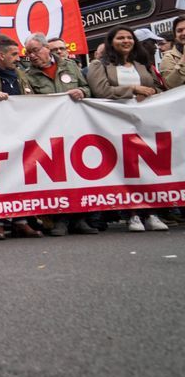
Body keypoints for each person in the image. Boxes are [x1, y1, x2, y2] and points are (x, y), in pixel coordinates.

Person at [86, 26, 167, 232]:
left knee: (148, 166)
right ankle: (133, 214)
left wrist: (148, 92)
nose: (126, 41)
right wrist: (132, 89)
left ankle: (151, 212)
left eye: (129, 37)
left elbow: (158, 88)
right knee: (127, 168)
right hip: (115, 123)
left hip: (144, 122)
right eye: (120, 38)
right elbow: (101, 90)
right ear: (111, 41)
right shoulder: (100, 65)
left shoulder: (142, 65)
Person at [22, 33, 95, 237]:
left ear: (47, 48)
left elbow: (88, 88)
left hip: (75, 128)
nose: (32, 56)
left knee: (78, 173)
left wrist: (83, 92)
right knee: (56, 176)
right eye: (28, 53)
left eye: (35, 51)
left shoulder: (70, 67)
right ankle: (60, 219)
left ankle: (80, 219)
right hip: (50, 133)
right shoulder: (28, 75)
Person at [0, 35, 42, 240]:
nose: (17, 57)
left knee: (19, 175)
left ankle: (21, 220)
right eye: (13, 54)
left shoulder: (22, 76)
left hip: (20, 134)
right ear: (1, 56)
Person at [162, 16, 185, 89]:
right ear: (175, 36)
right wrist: (183, 59)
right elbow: (170, 85)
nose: (184, 33)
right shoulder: (169, 57)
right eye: (179, 31)